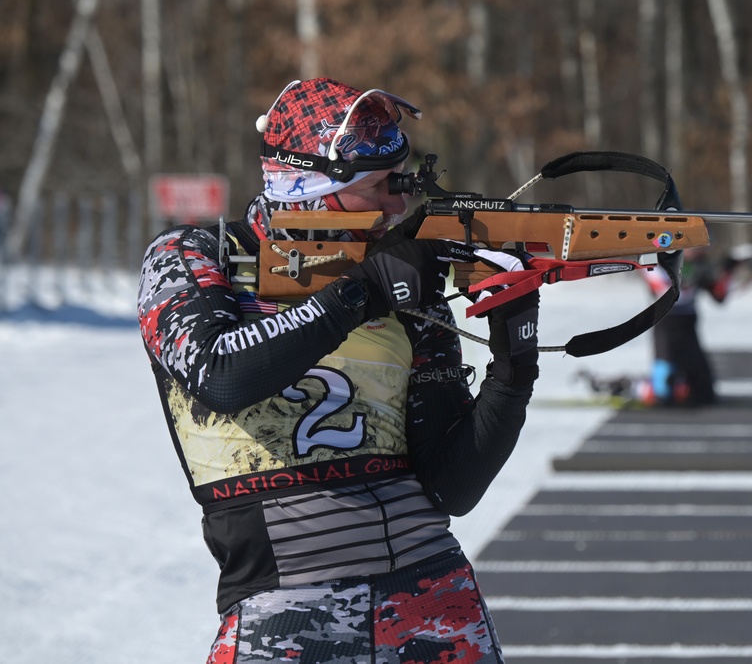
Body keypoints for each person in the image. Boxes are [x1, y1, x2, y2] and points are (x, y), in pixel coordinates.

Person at [137, 78, 540, 663]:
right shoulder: (197, 256)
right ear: (313, 190)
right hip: (285, 611)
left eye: (400, 183)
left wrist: (514, 363)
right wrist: (361, 294)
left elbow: (452, 485)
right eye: (379, 187)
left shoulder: (404, 280)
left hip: (436, 595)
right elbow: (220, 373)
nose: (399, 206)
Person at [642, 243, 752, 407]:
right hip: (665, 322)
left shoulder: (699, 264)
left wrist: (729, 266)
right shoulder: (659, 260)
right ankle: (651, 390)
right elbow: (668, 291)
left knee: (703, 389)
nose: (700, 251)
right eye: (694, 247)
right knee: (664, 382)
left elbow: (719, 295)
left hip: (688, 323)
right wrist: (696, 275)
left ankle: (685, 390)